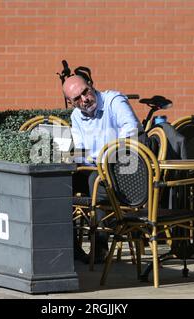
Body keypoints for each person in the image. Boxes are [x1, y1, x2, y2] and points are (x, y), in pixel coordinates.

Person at [62, 75, 142, 264]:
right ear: (71, 103)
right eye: (77, 99)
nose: (84, 99)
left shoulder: (114, 100)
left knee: (95, 180)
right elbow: (82, 150)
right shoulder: (76, 116)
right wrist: (69, 158)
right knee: (62, 182)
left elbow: (131, 128)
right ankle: (71, 248)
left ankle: (100, 245)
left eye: (85, 92)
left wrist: (107, 157)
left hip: (124, 167)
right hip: (96, 168)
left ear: (91, 85)